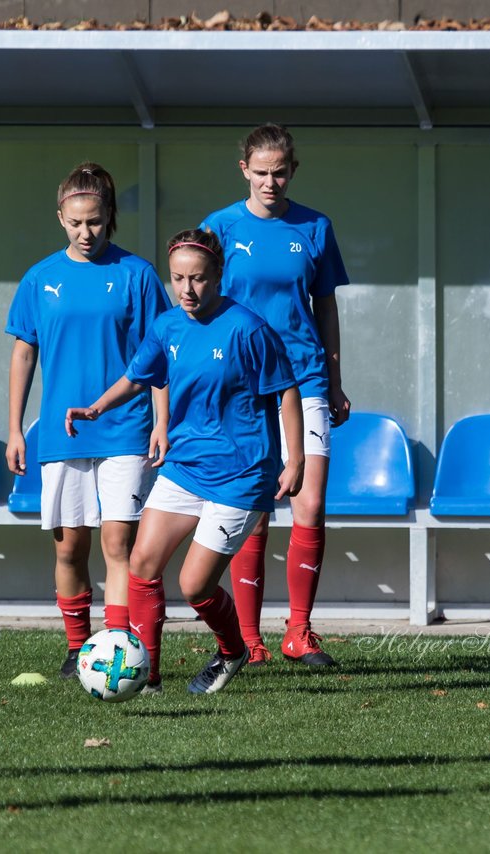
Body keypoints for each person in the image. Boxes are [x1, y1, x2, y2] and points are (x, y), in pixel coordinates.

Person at [67, 229, 304, 695]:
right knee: (142, 563)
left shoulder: (248, 329)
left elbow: (287, 391)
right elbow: (139, 376)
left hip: (240, 474)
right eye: (178, 279)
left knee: (194, 586)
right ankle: (148, 677)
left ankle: (233, 650)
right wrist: (96, 407)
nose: (187, 290)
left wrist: (294, 459)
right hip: (185, 466)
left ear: (219, 275)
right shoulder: (168, 326)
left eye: (198, 279)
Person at [6, 163, 172, 677]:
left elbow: (160, 357)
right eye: (76, 222)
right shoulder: (40, 278)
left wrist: (162, 424)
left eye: (95, 222)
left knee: (117, 543)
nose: (86, 233)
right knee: (70, 546)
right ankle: (79, 648)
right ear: (60, 217)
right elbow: (23, 354)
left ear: (110, 218)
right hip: (61, 431)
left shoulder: (138, 275)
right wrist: (15, 428)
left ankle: (120, 649)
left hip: (126, 428)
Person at [200, 123, 351, 668]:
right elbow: (200, 310)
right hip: (242, 387)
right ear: (244, 169)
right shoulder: (216, 228)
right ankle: (250, 640)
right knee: (254, 512)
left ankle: (299, 632)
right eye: (260, 172)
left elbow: (326, 307)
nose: (270, 181)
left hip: (305, 377)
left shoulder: (314, 226)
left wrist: (334, 380)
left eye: (279, 171)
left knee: (309, 503)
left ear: (293, 170)